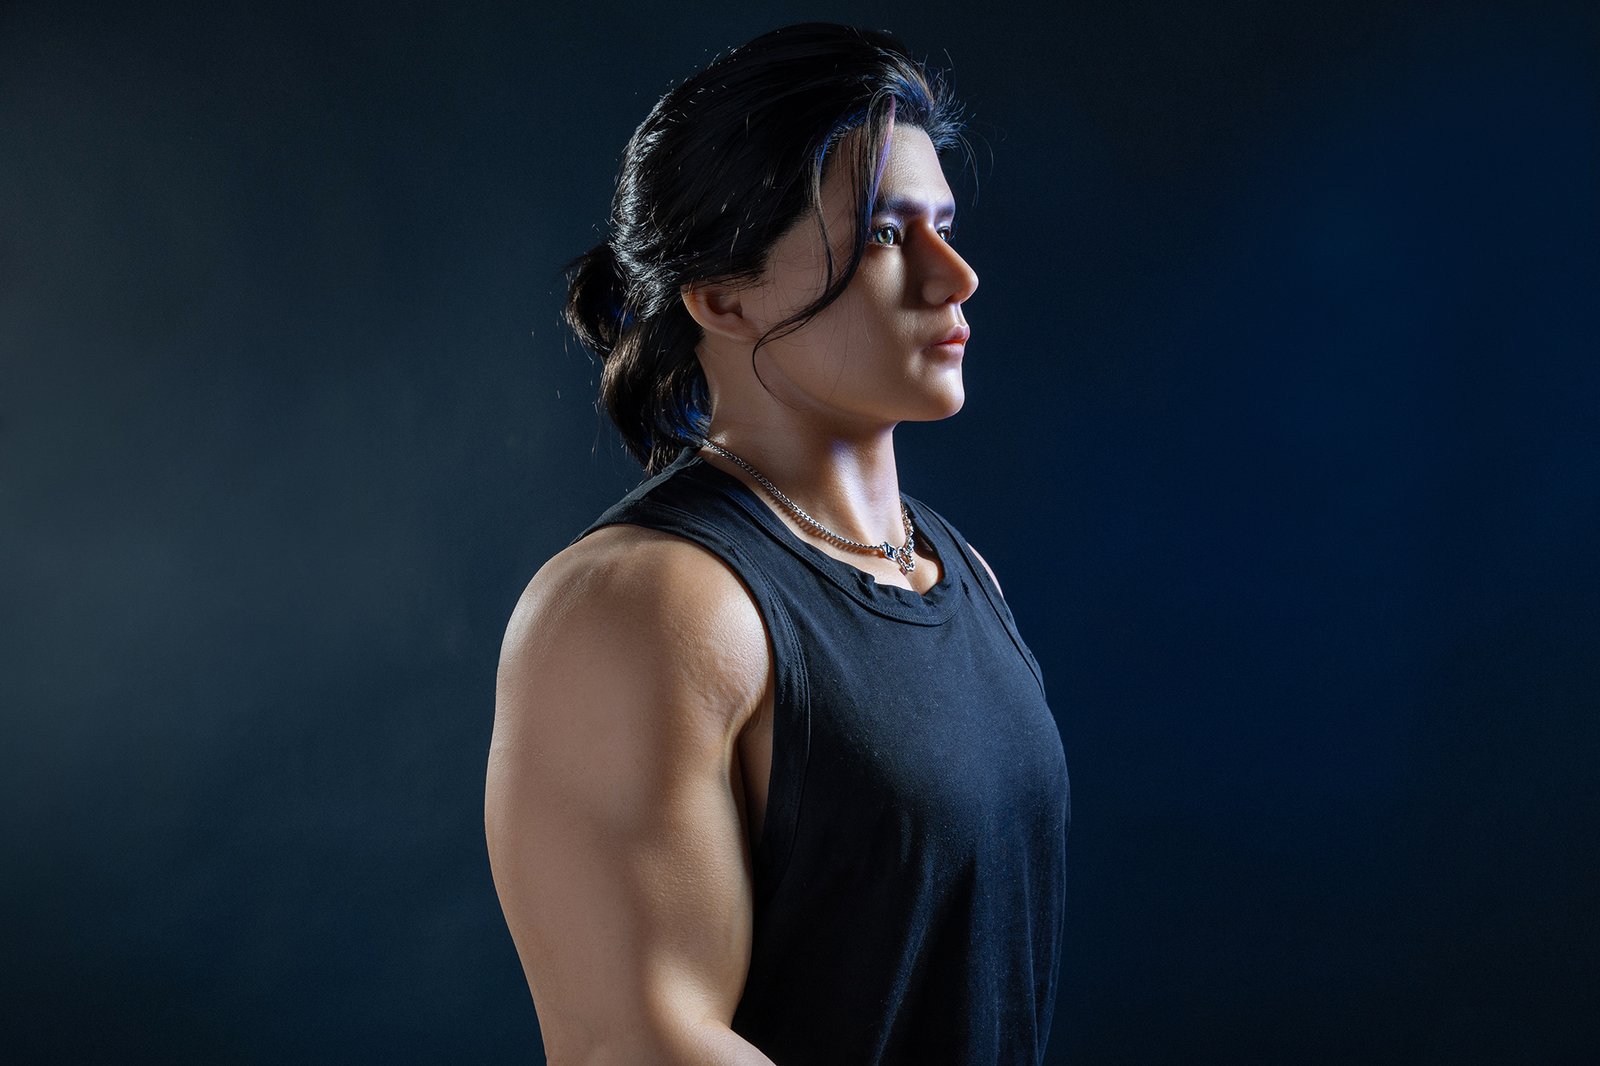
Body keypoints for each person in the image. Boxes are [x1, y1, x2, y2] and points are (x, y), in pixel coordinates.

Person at [486, 22, 1069, 1065]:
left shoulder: (957, 571)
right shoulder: (648, 604)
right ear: (723, 295)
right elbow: (640, 1041)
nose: (956, 276)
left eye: (944, 226)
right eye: (885, 236)